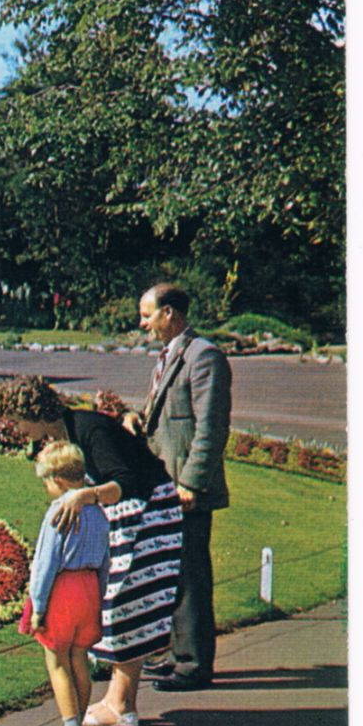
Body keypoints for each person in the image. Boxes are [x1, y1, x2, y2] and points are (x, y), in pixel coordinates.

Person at [0, 375, 182, 726]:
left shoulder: (88, 428)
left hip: (150, 513)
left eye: (16, 421)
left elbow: (125, 480)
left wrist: (83, 496)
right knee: (117, 603)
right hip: (128, 515)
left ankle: (122, 704)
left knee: (126, 604)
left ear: (31, 412)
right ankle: (120, 700)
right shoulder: (68, 434)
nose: (16, 429)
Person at [124, 283, 232, 691]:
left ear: (169, 313)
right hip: (166, 485)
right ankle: (175, 652)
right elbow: (171, 417)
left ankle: (193, 665)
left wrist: (190, 482)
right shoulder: (173, 355)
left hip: (186, 489)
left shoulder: (204, 357)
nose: (142, 322)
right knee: (170, 572)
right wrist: (138, 419)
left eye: (147, 314)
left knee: (189, 576)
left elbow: (211, 427)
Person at [22, 441, 112, 726]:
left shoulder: (58, 512)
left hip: (62, 590)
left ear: (57, 480)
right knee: (79, 659)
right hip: (89, 590)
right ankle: (73, 724)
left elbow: (46, 564)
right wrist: (98, 597)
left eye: (46, 481)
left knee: (57, 661)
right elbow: (105, 561)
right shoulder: (98, 513)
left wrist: (38, 607)